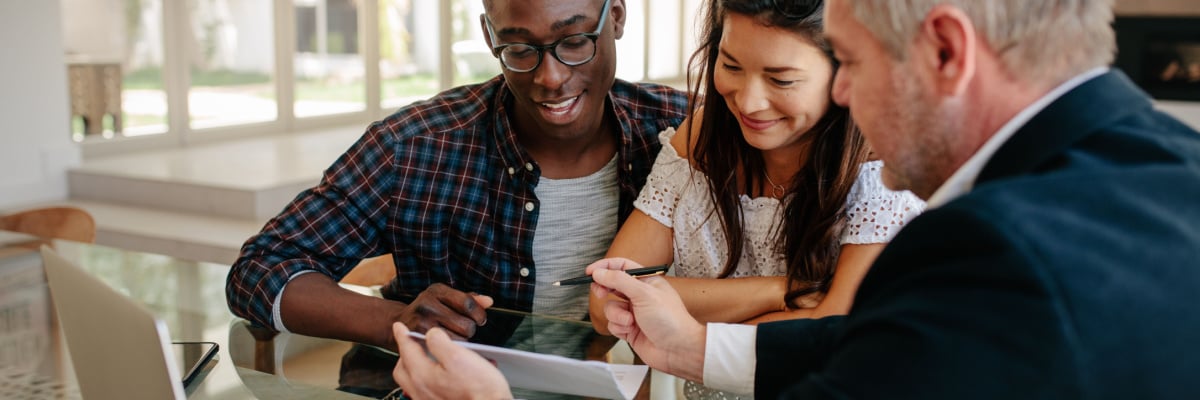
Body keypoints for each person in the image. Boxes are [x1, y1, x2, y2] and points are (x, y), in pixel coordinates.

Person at [391, 0, 1200, 398]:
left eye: (846, 61)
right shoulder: (1166, 162)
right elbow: (873, 345)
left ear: (946, 51)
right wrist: (693, 350)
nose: (843, 91)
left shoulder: (994, 252)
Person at [225, 0, 689, 350]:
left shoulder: (683, 134)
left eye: (574, 42)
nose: (549, 78)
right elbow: (258, 270)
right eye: (520, 49)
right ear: (490, 37)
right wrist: (396, 321)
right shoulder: (416, 146)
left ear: (618, 17)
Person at [587, 0, 922, 397]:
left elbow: (835, 334)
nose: (748, 101)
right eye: (730, 66)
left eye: (780, 80)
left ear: (842, 73)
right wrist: (784, 291)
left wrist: (684, 326)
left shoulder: (880, 168)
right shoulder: (699, 141)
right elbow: (608, 304)